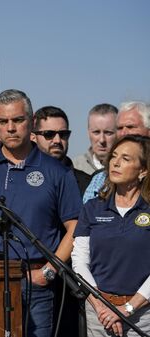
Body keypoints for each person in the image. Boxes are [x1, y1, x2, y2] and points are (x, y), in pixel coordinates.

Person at [0, 89, 82, 337]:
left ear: (32, 121)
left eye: (17, 120)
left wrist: (49, 272)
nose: (10, 128)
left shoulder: (56, 172)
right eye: (3, 122)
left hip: (35, 283)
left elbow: (76, 227)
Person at [72, 135, 150, 337]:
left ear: (143, 171)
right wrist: (100, 307)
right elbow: (79, 261)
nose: (115, 162)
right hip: (99, 312)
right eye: (114, 156)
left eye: (126, 159)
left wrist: (128, 309)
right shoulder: (92, 207)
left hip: (143, 315)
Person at [83, 102, 150, 203]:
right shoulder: (100, 180)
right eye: (119, 128)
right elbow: (88, 214)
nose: (124, 133)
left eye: (130, 127)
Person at [33, 106, 92, 195]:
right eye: (49, 134)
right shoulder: (19, 179)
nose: (57, 140)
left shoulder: (88, 184)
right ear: (33, 137)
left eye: (63, 134)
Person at [73, 104, 118, 175]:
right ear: (88, 133)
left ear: (118, 133)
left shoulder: (128, 167)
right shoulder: (74, 167)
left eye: (108, 133)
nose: (102, 140)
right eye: (96, 132)